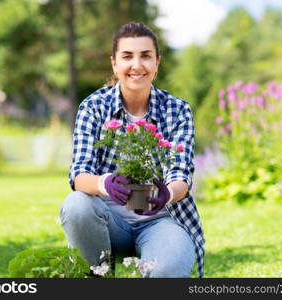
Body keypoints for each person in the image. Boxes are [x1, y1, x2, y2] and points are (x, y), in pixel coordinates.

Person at [60, 22, 205, 278]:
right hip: (107, 222)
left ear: (157, 63)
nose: (137, 65)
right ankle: (97, 277)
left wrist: (167, 193)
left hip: (161, 219)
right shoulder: (93, 107)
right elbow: (79, 175)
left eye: (146, 56)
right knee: (76, 206)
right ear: (114, 63)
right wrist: (105, 184)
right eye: (127, 56)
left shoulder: (177, 110)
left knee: (168, 272)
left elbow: (182, 176)